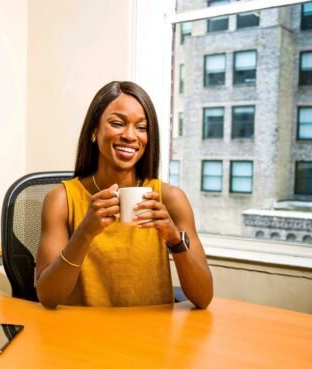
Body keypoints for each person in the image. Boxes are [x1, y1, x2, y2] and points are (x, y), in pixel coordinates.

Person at [35, 81, 213, 309]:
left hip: (151, 336)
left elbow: (203, 298)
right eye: (117, 123)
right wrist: (85, 232)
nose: (130, 136)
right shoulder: (60, 200)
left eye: (141, 127)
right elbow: (48, 297)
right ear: (94, 130)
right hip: (83, 337)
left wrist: (174, 239)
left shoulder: (170, 199)